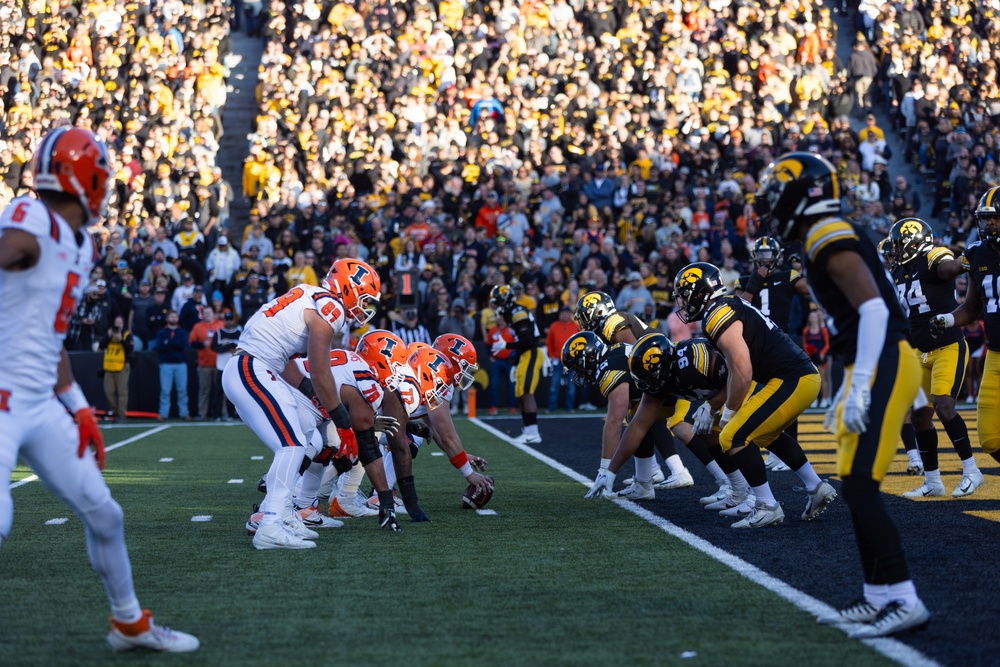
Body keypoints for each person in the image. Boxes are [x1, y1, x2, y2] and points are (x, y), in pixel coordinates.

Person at [0, 127, 197, 651]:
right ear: (83, 179)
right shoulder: (32, 220)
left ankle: (129, 622)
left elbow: (50, 335)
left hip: (39, 402)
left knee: (104, 511)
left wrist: (81, 408)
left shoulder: (81, 243)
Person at [758, 151, 928, 637]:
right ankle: (877, 597)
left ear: (800, 193)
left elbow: (874, 311)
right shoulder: (820, 234)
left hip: (886, 360)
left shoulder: (827, 232)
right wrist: (851, 381)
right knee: (854, 485)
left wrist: (858, 384)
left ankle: (904, 597)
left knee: (858, 486)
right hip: (873, 362)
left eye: (778, 192)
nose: (773, 202)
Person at [221, 258, 401, 549]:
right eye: (364, 297)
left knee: (308, 442)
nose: (364, 306)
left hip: (258, 367)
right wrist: (342, 422)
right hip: (252, 367)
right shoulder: (331, 308)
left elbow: (292, 364)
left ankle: (281, 514)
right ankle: (270, 525)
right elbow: (319, 371)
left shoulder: (310, 294)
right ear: (348, 287)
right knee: (292, 445)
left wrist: (312, 394)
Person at [673, 262, 835, 528]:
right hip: (794, 376)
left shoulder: (717, 314)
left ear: (699, 292)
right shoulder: (724, 306)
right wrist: (717, 405)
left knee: (732, 435)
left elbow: (742, 370)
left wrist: (727, 411)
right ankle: (816, 487)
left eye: (683, 294)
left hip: (793, 377)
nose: (681, 301)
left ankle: (766, 505)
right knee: (765, 434)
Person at [887, 218, 982, 498]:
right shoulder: (900, 272)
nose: (895, 250)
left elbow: (949, 268)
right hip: (920, 351)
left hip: (947, 346)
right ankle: (933, 481)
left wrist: (964, 262)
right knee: (919, 416)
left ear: (913, 242)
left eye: (898, 244)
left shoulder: (932, 256)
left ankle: (971, 471)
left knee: (943, 404)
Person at [932, 185, 1000, 470]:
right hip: (995, 354)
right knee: (991, 439)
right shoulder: (977, 253)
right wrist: (948, 319)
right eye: (985, 218)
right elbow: (972, 307)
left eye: (995, 217)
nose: (989, 223)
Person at [490, 284, 546, 444]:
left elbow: (528, 341)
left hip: (532, 352)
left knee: (527, 393)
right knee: (520, 393)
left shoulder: (517, 312)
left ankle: (534, 432)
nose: (497, 306)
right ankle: (528, 431)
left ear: (506, 300)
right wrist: (515, 361)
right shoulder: (511, 313)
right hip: (525, 354)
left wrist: (506, 346)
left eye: (499, 302)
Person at [155, 310, 190, 421]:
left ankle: (184, 413)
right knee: (165, 391)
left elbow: (183, 345)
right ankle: (163, 414)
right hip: (166, 364)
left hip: (180, 364)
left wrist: (169, 342)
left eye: (175, 317)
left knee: (182, 390)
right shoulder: (162, 333)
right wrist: (174, 343)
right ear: (167, 318)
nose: (174, 319)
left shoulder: (182, 332)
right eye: (172, 317)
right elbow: (160, 347)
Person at [189, 308, 223, 420]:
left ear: (214, 314)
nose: (207, 314)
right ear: (202, 315)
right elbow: (191, 342)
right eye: (205, 313)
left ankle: (223, 412)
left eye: (209, 312)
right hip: (204, 363)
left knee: (222, 390)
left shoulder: (221, 324)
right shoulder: (198, 326)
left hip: (220, 363)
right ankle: (202, 412)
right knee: (204, 390)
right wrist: (202, 344)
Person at [546, 306, 580, 412]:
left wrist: (577, 357)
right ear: (560, 314)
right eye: (563, 312)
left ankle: (569, 407)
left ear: (570, 314)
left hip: (572, 361)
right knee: (554, 386)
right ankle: (551, 407)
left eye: (567, 313)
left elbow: (581, 343)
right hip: (557, 359)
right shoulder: (554, 326)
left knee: (571, 387)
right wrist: (551, 355)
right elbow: (549, 342)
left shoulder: (576, 327)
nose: (565, 315)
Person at [100, 314, 133, 422]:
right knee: (108, 391)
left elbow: (130, 348)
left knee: (122, 391)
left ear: (123, 324)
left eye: (120, 323)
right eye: (117, 322)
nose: (118, 325)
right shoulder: (109, 333)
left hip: (122, 366)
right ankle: (114, 412)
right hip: (109, 366)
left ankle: (121, 414)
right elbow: (101, 345)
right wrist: (108, 337)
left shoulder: (126, 335)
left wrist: (120, 340)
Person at [212, 309, 242, 421]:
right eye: (227, 320)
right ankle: (217, 414)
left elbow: (243, 346)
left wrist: (229, 345)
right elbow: (214, 348)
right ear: (224, 320)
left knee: (233, 391)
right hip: (222, 365)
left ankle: (232, 413)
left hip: (235, 366)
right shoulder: (219, 332)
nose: (229, 322)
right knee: (219, 390)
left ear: (234, 320)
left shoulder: (239, 331)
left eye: (231, 319)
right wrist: (229, 347)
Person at [486, 313, 517, 415]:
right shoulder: (492, 330)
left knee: (511, 385)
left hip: (509, 361)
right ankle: (493, 406)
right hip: (497, 361)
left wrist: (514, 357)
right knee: (494, 385)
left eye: (502, 316)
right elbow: (488, 345)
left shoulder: (512, 329)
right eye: (498, 316)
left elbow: (517, 344)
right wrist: (490, 356)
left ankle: (512, 406)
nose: (500, 318)